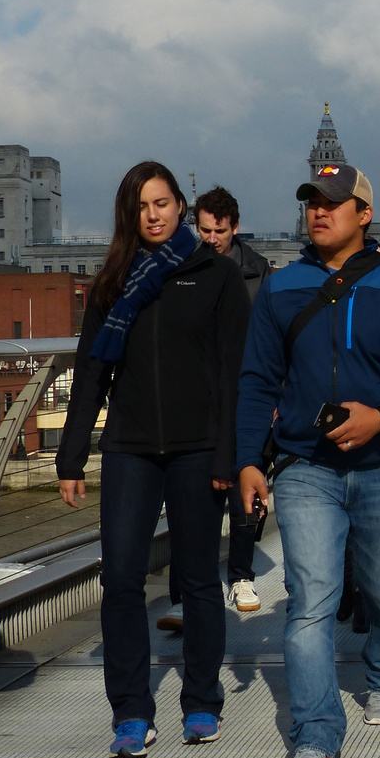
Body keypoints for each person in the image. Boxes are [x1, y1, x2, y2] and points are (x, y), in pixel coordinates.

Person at [237, 162, 380, 758]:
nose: (319, 211)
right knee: (310, 603)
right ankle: (317, 735)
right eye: (311, 201)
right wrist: (249, 458)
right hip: (307, 467)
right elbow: (256, 381)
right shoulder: (280, 288)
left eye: (333, 201)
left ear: (363, 213)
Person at [57, 161, 250, 758]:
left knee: (196, 580)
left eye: (163, 202)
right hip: (129, 449)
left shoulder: (215, 275)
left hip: (197, 451)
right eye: (142, 206)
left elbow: (231, 374)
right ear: (129, 214)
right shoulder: (114, 282)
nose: (155, 214)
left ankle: (200, 702)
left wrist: (228, 454)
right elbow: (92, 371)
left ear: (180, 208)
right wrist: (70, 458)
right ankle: (133, 713)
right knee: (120, 580)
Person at [155, 187, 270, 622]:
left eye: (219, 231)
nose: (211, 239)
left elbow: (269, 340)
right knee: (191, 498)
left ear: (234, 229)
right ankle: (185, 597)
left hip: (245, 399)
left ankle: (241, 576)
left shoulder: (258, 273)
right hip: (196, 400)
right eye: (203, 229)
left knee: (244, 488)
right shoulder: (179, 266)